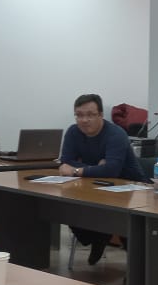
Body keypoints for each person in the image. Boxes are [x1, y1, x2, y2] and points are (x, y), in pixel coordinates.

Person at [59, 93, 147, 264]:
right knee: (67, 206)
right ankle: (98, 237)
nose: (84, 120)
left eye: (90, 115)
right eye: (79, 115)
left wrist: (77, 169)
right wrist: (96, 168)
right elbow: (65, 162)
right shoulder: (73, 132)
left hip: (131, 189)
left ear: (101, 115)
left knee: (122, 219)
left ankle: (134, 265)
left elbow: (111, 170)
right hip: (95, 186)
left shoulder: (116, 134)